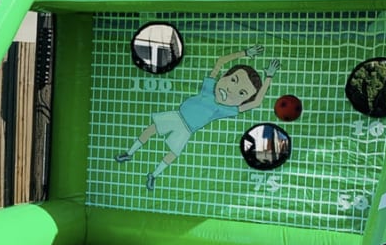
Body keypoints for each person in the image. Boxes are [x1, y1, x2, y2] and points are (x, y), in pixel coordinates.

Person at [115, 46, 279, 190]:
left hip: (187, 130)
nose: (231, 90)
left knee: (173, 153)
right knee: (152, 129)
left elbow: (256, 102)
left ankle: (154, 175)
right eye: (233, 80)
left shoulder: (226, 110)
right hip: (176, 116)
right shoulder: (209, 88)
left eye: (241, 93)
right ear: (224, 76)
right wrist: (244, 53)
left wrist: (269, 77)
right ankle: (129, 153)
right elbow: (220, 61)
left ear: (242, 101)